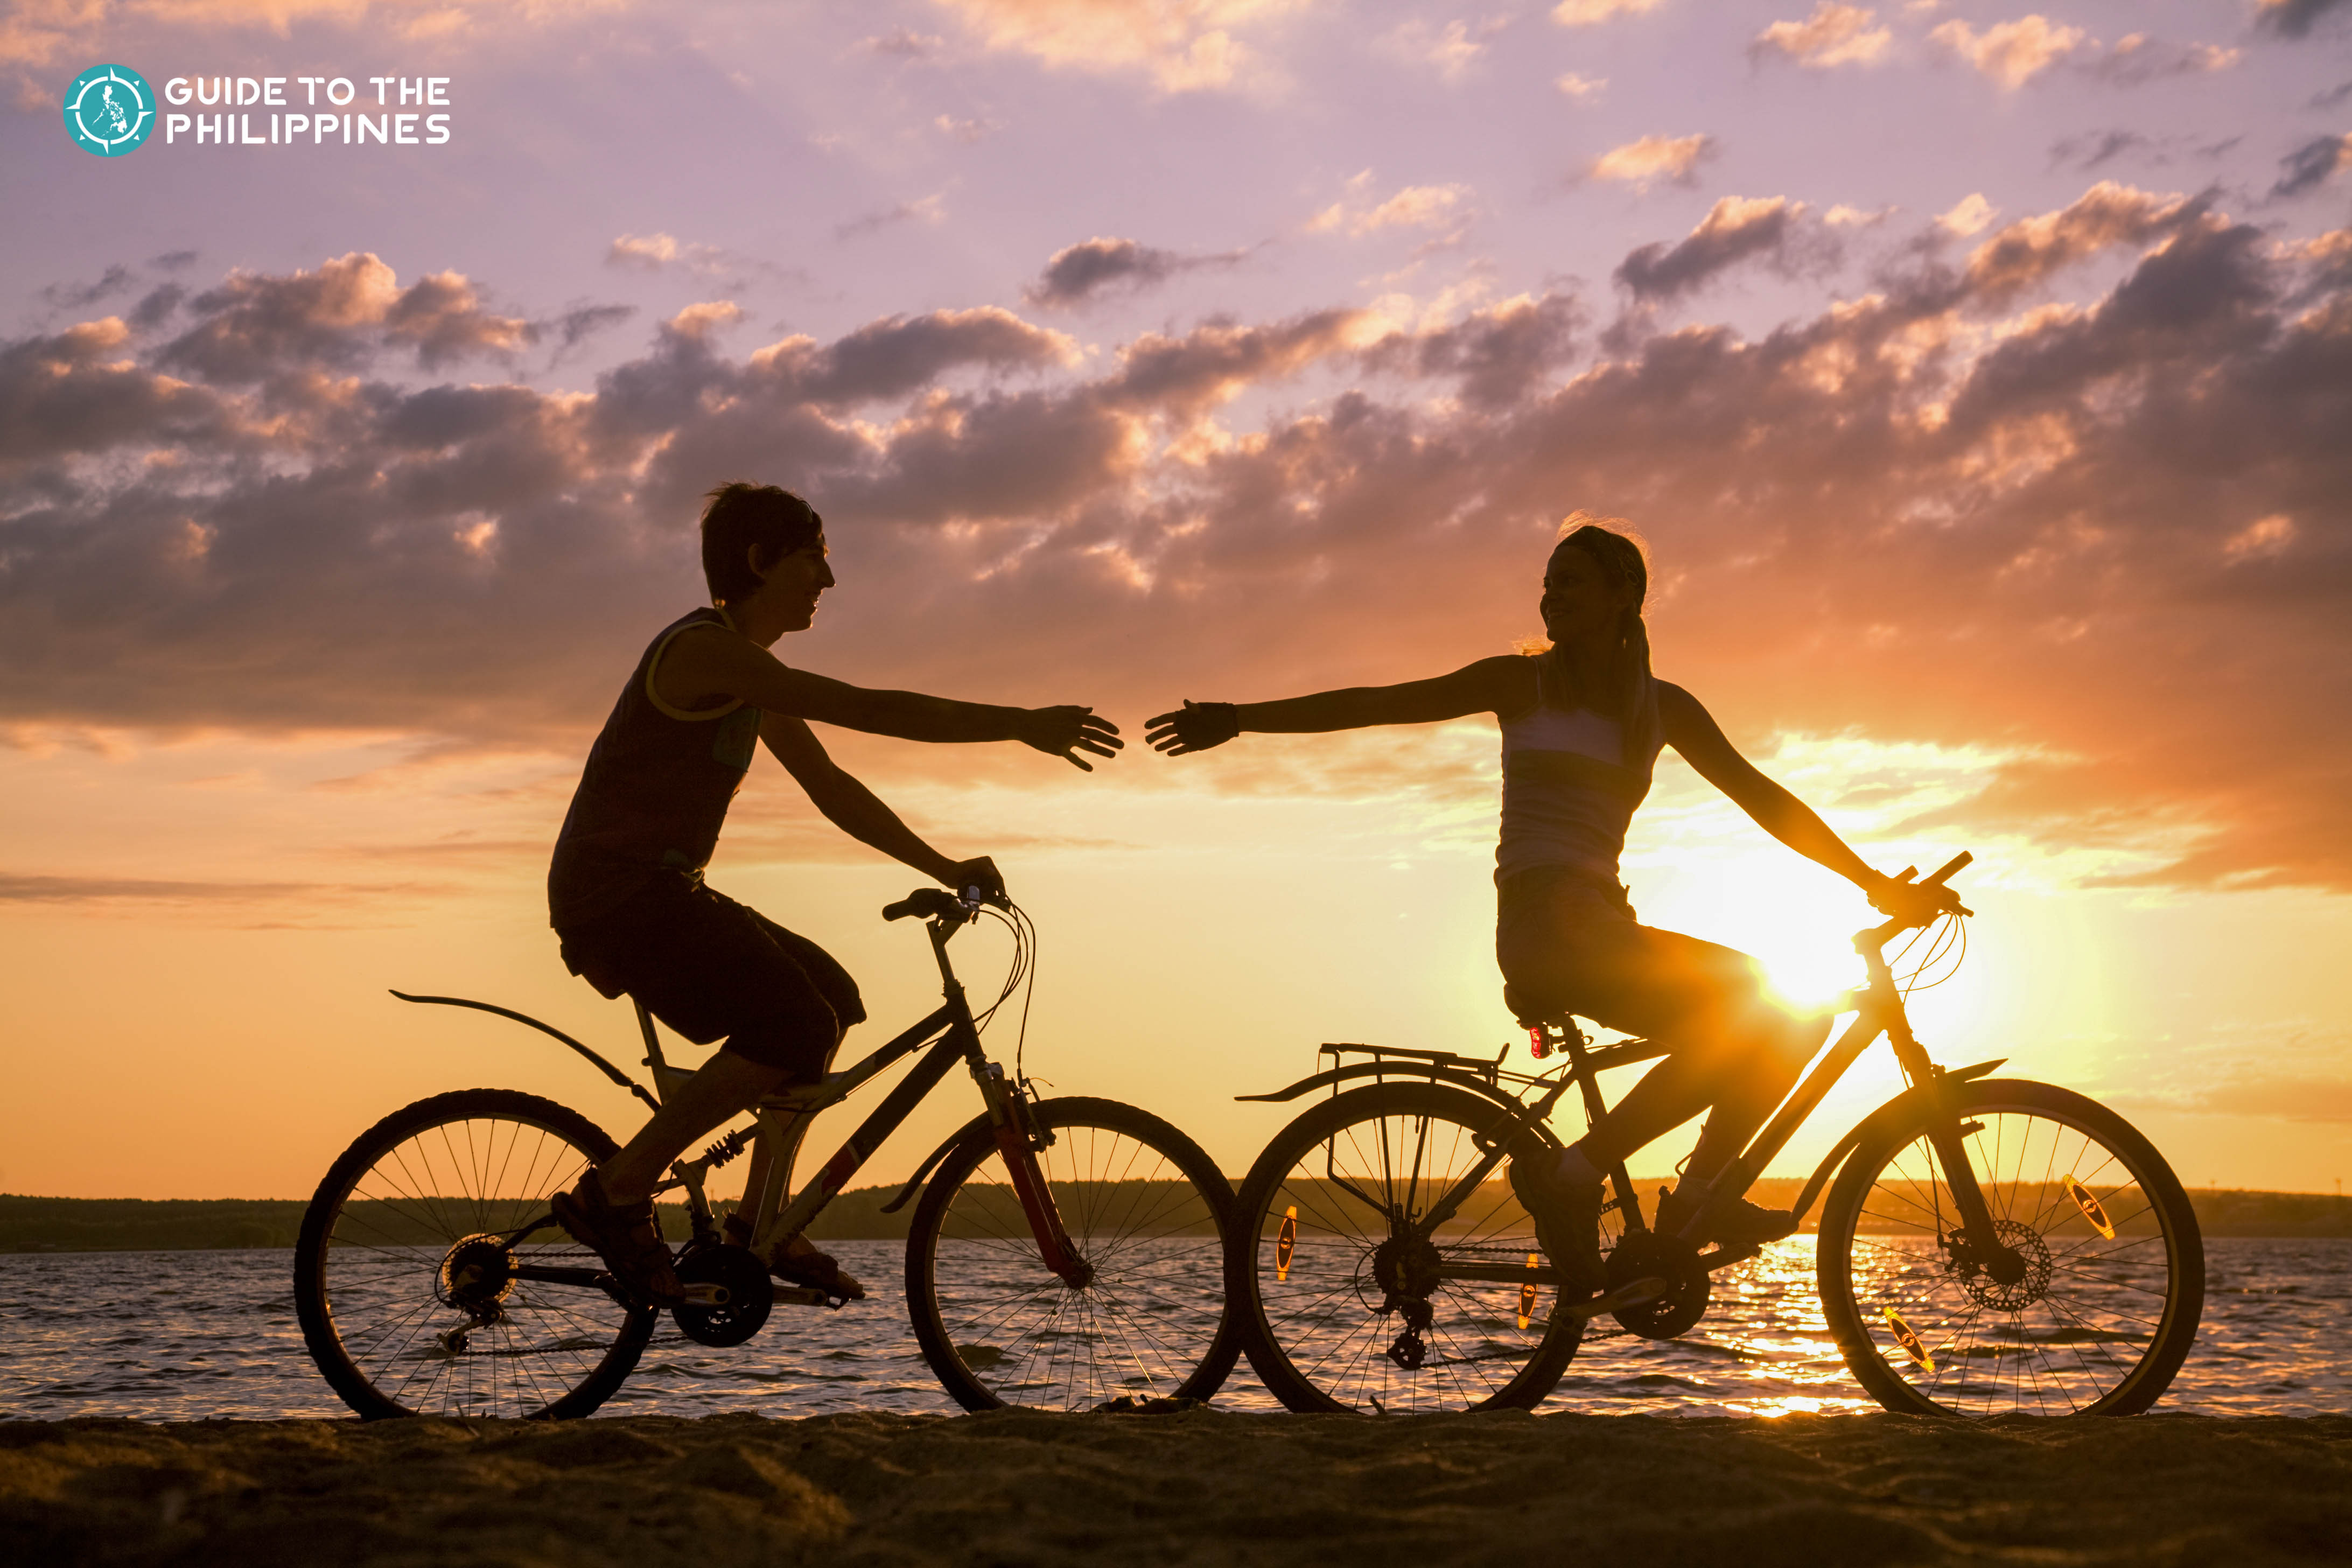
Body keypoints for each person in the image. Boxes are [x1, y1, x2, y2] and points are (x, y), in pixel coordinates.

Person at [1145, 514, 1955, 1292]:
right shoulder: (1522, 683)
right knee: (1774, 1008)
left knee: (1788, 1017)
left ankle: (1695, 1195)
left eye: (1568, 583)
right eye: (1546, 585)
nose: (1548, 598)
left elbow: (1764, 799)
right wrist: (1240, 719)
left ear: (1624, 597)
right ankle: (1576, 1174)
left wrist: (1876, 883)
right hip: (1546, 924)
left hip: (1601, 922)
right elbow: (1376, 701)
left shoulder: (1659, 707)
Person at [547, 482, 1121, 1305]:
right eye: (815, 556)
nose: (829, 578)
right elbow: (864, 709)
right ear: (759, 562)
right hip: (617, 896)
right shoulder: (706, 654)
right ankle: (619, 1188)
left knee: (832, 1000)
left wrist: (942, 864)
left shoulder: (749, 672)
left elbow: (831, 788)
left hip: (659, 888)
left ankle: (757, 1224)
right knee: (794, 1021)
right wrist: (1019, 722)